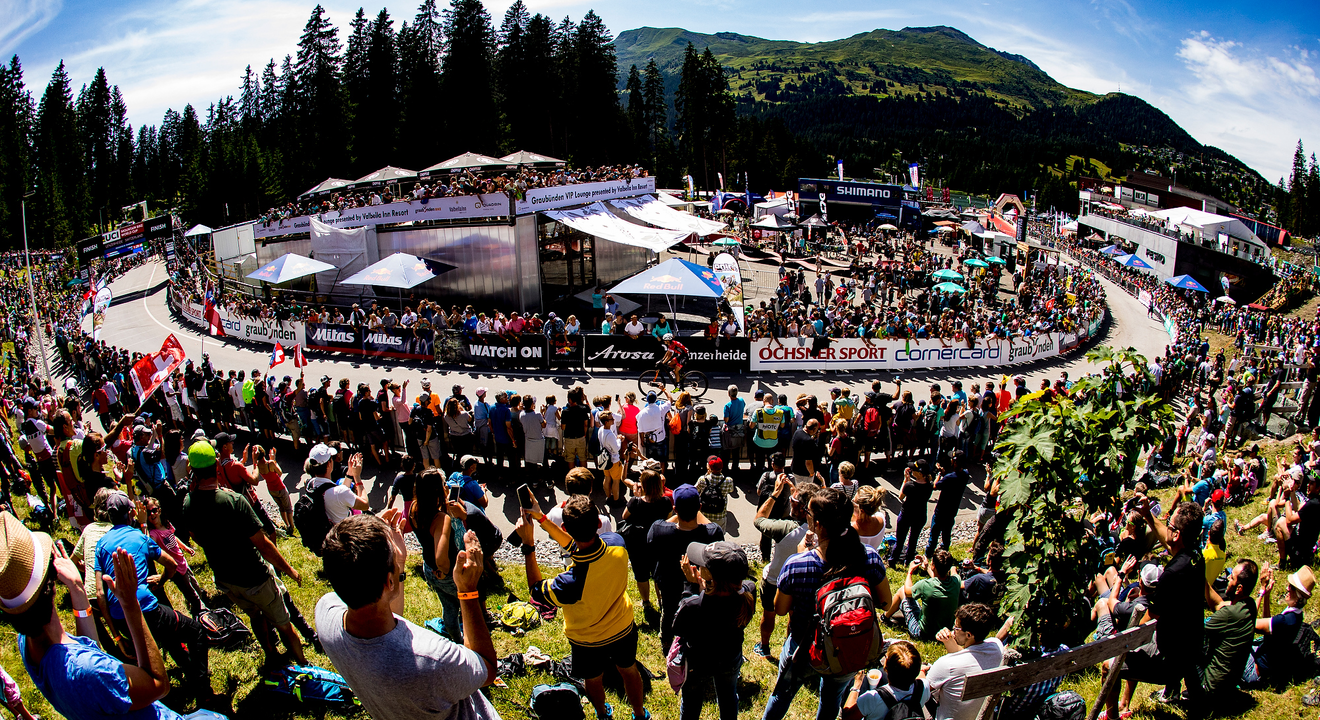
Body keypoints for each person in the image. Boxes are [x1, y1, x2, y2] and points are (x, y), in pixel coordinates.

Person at [0, 511, 205, 720]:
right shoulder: (92, 671)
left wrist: (78, 589)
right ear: (53, 580)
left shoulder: (27, 644)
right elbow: (158, 685)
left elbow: (86, 649)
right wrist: (131, 605)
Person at [317, 513, 501, 720]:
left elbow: (381, 616)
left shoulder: (325, 612)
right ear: (389, 582)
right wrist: (468, 592)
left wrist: (375, 548)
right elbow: (486, 667)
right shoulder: (433, 660)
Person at [517, 496, 649, 720]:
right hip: (622, 628)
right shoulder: (616, 543)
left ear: (565, 527)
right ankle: (639, 713)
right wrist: (541, 518)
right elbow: (580, 546)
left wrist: (529, 545)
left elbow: (536, 590)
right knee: (629, 670)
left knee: (593, 679)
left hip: (586, 641)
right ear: (599, 523)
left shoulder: (568, 583)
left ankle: (602, 714)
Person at [763, 488, 891, 720]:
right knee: (832, 698)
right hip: (845, 645)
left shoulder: (797, 565)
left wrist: (803, 554)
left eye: (808, 513)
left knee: (782, 695)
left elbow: (780, 609)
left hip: (803, 646)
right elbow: (885, 602)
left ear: (819, 525)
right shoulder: (869, 557)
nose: (805, 514)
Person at [182, 439, 309, 670]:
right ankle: (304, 666)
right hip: (254, 576)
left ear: (193, 470)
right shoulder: (233, 501)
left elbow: (195, 536)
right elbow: (263, 545)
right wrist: (289, 569)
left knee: (256, 616)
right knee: (284, 624)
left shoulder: (188, 502)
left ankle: (271, 655)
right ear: (215, 467)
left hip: (225, 579)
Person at [95, 491, 213, 691]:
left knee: (164, 638)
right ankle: (203, 689)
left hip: (119, 616)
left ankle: (185, 673)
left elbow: (100, 594)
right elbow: (172, 564)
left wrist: (116, 636)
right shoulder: (139, 537)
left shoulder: (101, 545)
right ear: (131, 514)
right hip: (147, 608)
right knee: (196, 631)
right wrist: (162, 579)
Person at [1102, 500, 1206, 716]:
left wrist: (1124, 637)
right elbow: (1170, 543)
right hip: (1192, 647)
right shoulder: (1196, 556)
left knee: (1109, 664)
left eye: (1169, 523)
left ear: (1176, 534)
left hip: (1169, 658)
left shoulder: (1171, 575)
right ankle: (1125, 703)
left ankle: (1112, 717)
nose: (1165, 526)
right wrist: (1148, 515)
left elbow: (1147, 619)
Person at [673, 541, 756, 720]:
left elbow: (678, 627)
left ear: (711, 576)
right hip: (730, 656)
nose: (697, 565)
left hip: (698, 661)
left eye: (702, 564)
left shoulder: (693, 604)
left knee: (691, 702)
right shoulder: (748, 592)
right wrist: (706, 588)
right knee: (728, 696)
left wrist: (690, 586)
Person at [649, 484, 725, 655]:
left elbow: (659, 528)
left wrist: (678, 514)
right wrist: (696, 511)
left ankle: (667, 641)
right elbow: (712, 526)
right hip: (699, 586)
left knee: (668, 612)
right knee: (699, 613)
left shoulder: (658, 530)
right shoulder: (712, 533)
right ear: (700, 507)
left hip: (669, 584)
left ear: (675, 509)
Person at [752, 474, 817, 661]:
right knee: (794, 615)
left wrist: (775, 494)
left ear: (801, 507)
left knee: (769, 613)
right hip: (802, 581)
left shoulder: (785, 528)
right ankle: (789, 647)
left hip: (775, 578)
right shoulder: (821, 529)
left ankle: (764, 647)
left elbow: (759, 519)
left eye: (792, 500)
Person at [925, 603, 1005, 720]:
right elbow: (970, 656)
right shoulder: (997, 647)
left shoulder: (947, 664)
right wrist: (949, 642)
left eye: (956, 628)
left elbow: (920, 690)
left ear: (969, 634)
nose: (953, 630)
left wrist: (921, 672)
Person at [1243, 564, 1314, 685]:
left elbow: (1246, 622)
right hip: (1265, 662)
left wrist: (1261, 591)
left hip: (1253, 670)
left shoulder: (1285, 620)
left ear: (1298, 597)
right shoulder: (1296, 615)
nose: (1287, 588)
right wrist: (1267, 596)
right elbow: (1267, 626)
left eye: (1291, 587)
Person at [1200, 559, 1259, 698]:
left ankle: (1172, 693)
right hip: (1229, 684)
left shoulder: (1229, 614)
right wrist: (1201, 576)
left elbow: (1195, 630)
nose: (1227, 578)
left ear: (1239, 588)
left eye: (1231, 577)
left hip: (1210, 686)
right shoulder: (1249, 606)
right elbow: (1218, 604)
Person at [620, 469, 673, 616]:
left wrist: (637, 497)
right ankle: (661, 600)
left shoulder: (635, 502)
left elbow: (625, 516)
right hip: (658, 541)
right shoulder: (665, 502)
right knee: (658, 574)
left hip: (639, 543)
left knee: (641, 574)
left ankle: (646, 602)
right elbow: (669, 518)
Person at [883, 549, 960, 641]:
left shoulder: (926, 585)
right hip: (944, 633)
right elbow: (942, 578)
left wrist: (910, 571)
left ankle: (885, 617)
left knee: (901, 591)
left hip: (923, 634)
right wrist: (927, 567)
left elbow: (907, 592)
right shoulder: (956, 582)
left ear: (933, 566)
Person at [842, 640, 928, 720]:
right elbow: (921, 677)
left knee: (850, 683)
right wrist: (922, 670)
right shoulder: (924, 688)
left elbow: (847, 717)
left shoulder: (872, 698)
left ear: (886, 665)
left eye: (885, 656)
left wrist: (856, 685)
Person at [305, 443, 369, 528]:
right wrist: (357, 476)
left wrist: (349, 473)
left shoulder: (310, 484)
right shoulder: (339, 493)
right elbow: (365, 505)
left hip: (328, 532)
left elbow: (339, 493)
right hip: (345, 533)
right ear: (328, 464)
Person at [927, 451, 971, 557]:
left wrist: (940, 474)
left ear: (955, 462)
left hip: (941, 511)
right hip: (952, 511)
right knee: (946, 535)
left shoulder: (948, 478)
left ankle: (928, 554)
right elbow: (953, 478)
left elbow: (935, 486)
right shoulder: (965, 475)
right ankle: (945, 551)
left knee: (934, 535)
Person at [890, 460, 934, 566]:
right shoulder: (930, 485)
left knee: (900, 541)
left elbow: (901, 496)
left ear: (919, 473)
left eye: (913, 469)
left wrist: (906, 479)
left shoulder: (909, 485)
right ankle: (909, 561)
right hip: (920, 515)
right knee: (913, 540)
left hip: (906, 515)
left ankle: (893, 560)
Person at [695, 456, 735, 530]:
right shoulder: (728, 481)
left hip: (704, 515)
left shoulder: (702, 479)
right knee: (719, 537)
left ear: (709, 467)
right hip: (719, 515)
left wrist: (707, 474)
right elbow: (731, 490)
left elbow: (695, 490)